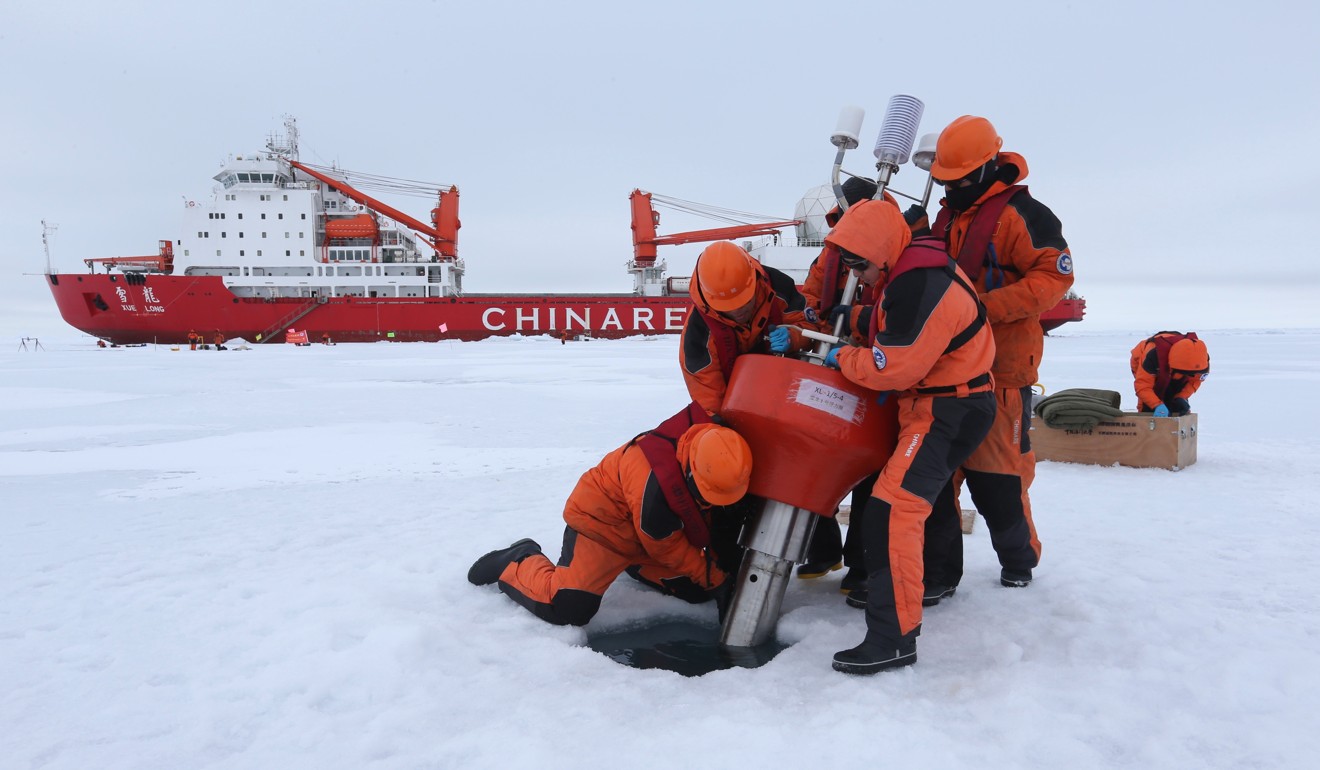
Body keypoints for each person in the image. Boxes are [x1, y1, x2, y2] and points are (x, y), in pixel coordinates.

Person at [820, 198, 996, 674]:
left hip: (946, 409)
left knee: (893, 510)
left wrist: (844, 359)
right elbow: (891, 324)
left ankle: (892, 639)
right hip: (939, 404)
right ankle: (931, 583)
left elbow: (891, 366)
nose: (858, 273)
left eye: (859, 262)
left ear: (880, 249)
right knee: (917, 500)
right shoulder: (908, 272)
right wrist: (831, 327)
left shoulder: (920, 282)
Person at [917, 115, 1074, 596]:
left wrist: (982, 309)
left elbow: (1055, 279)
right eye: (944, 180)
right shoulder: (943, 219)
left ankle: (1019, 561)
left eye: (960, 179)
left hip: (1002, 374)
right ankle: (938, 577)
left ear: (988, 167)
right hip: (941, 374)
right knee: (935, 484)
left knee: (1000, 482)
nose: (953, 188)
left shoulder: (1027, 216)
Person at [776, 176, 931, 593]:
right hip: (836, 364)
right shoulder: (831, 253)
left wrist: (858, 332)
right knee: (810, 455)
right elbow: (810, 299)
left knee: (873, 471)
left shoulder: (906, 257)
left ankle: (863, 564)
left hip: (881, 375)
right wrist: (805, 327)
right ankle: (821, 549)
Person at [467, 406, 754, 627]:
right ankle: (519, 558)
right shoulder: (652, 486)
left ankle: (633, 566)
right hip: (603, 530)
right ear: (692, 472)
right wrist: (718, 579)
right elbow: (663, 544)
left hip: (646, 537)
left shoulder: (719, 449)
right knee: (569, 608)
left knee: (696, 591)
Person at [680, 241, 810, 416]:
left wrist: (793, 337)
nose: (738, 311)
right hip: (737, 404)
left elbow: (813, 329)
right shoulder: (697, 338)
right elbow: (710, 405)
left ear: (754, 282)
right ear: (710, 301)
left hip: (791, 394)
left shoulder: (779, 287)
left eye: (744, 302)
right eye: (727, 307)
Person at [1130, 331, 1209, 415]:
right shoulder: (1152, 355)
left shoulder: (1200, 359)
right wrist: (1156, 405)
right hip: (1144, 361)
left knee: (1175, 404)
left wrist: (1181, 397)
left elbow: (1195, 381)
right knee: (1149, 404)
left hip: (1173, 366)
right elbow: (1143, 386)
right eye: (1182, 373)